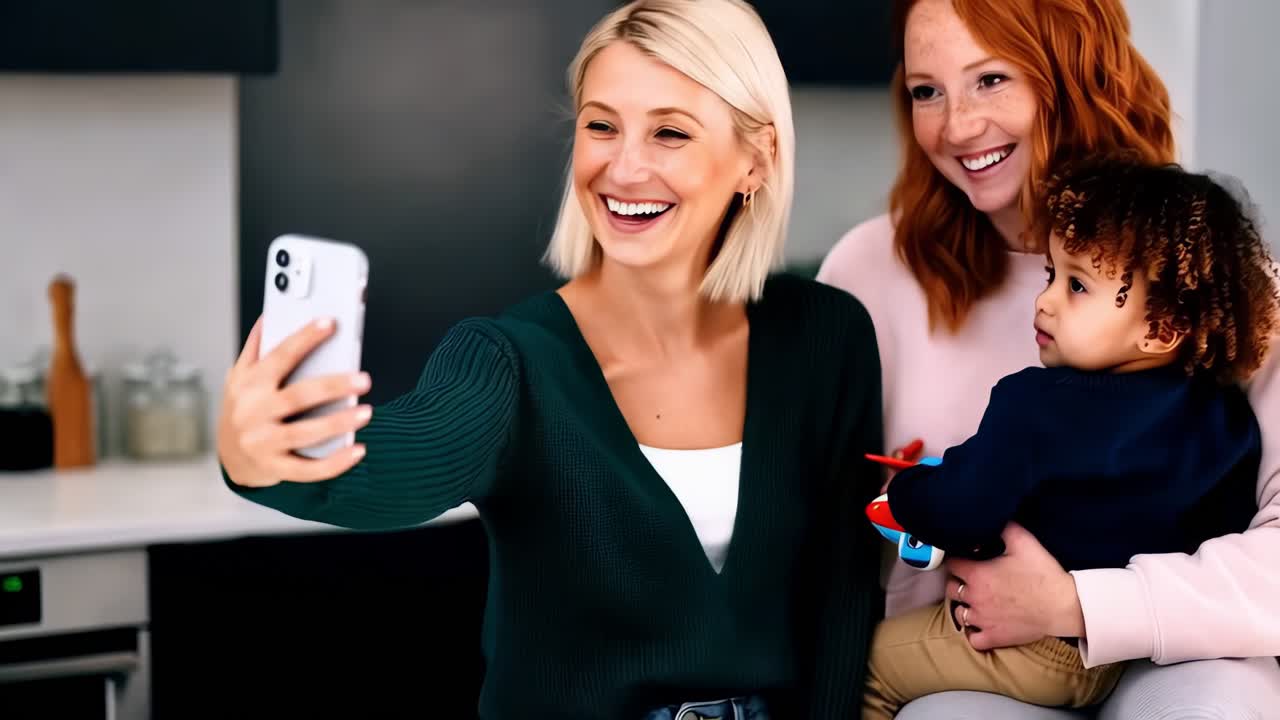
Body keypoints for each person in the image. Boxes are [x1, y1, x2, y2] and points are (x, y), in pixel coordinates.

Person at [218, 1, 884, 718]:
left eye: (669, 133)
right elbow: (394, 463)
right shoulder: (512, 362)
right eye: (601, 126)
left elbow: (844, 593)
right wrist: (260, 453)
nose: (624, 167)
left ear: (755, 160)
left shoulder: (824, 336)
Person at [817, 0, 1280, 716]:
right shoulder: (868, 271)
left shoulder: (1210, 283)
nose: (958, 125)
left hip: (1178, 658)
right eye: (926, 91)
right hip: (974, 663)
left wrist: (1078, 603)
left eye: (992, 79)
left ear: (1073, 73)